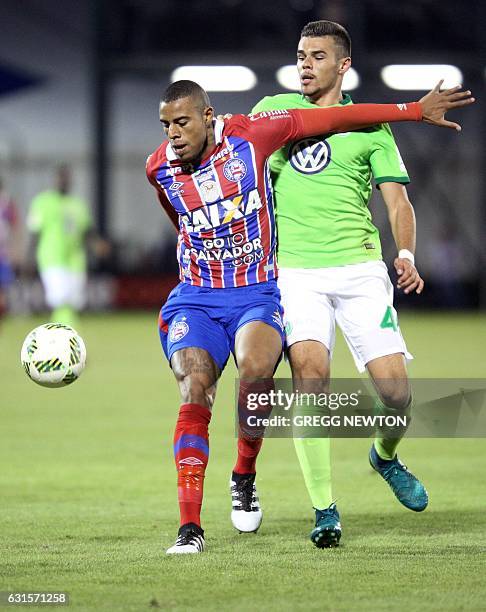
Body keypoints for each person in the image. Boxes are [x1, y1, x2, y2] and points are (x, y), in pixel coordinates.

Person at [146, 78, 473, 554]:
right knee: (198, 388)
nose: (172, 134)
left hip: (259, 292)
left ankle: (245, 471)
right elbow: (179, 214)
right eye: (165, 125)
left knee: (260, 374)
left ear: (208, 116)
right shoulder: (159, 167)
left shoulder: (251, 135)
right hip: (199, 296)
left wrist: (411, 110)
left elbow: (335, 118)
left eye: (181, 122)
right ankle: (193, 528)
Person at [251, 20, 474, 548]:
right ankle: (324, 510)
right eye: (301, 54)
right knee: (311, 378)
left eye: (317, 56)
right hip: (296, 272)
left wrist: (405, 253)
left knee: (397, 395)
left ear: (342, 65)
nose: (305, 64)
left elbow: (398, 202)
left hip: (360, 271)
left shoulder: (372, 128)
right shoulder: (272, 111)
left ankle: (385, 456)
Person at [27, 166, 94, 329]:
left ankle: (65, 340)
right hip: (51, 257)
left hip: (76, 259)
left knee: (73, 302)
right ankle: (66, 338)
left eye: (67, 178)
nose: (64, 181)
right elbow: (35, 232)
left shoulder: (78, 205)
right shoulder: (42, 202)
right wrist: (29, 257)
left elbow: (87, 232)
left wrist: (97, 245)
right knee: (60, 299)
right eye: (61, 177)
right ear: (55, 179)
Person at [0, 178, 19, 323]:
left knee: (3, 290)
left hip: (2, 253)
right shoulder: (7, 202)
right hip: (3, 252)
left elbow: (14, 225)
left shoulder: (6, 202)